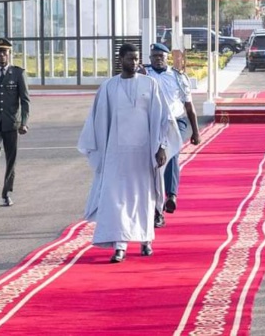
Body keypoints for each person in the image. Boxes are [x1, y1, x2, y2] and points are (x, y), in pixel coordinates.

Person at [77, 43, 181, 263]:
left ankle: (145, 241)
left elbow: (164, 119)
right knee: (116, 199)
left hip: (144, 154)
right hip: (116, 155)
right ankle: (120, 246)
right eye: (129, 59)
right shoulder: (108, 87)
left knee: (144, 197)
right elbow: (96, 121)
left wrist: (162, 146)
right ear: (120, 60)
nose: (134, 63)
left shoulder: (150, 84)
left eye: (136, 59)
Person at [143, 42, 200, 228]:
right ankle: (156, 211)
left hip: (177, 122)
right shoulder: (143, 75)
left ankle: (171, 195)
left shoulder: (178, 77)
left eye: (161, 56)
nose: (158, 59)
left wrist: (196, 132)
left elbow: (189, 107)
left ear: (168, 58)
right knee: (153, 165)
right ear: (150, 58)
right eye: (154, 56)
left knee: (171, 152)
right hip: (151, 124)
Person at [0, 38, 30, 208]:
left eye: (4, 52)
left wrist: (24, 122)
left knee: (11, 159)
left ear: (10, 54)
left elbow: (25, 100)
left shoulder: (18, 73)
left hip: (12, 123)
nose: (1, 55)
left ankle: (7, 193)